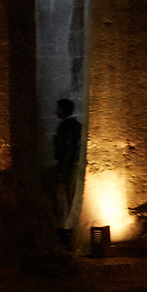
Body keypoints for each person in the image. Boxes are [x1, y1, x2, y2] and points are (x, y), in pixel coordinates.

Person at [49, 97, 84, 242]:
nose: (55, 111)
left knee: (65, 198)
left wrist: (62, 168)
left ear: (63, 110)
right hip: (73, 166)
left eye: (58, 108)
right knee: (71, 198)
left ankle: (66, 231)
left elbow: (68, 148)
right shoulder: (77, 125)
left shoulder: (65, 126)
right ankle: (69, 230)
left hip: (67, 166)